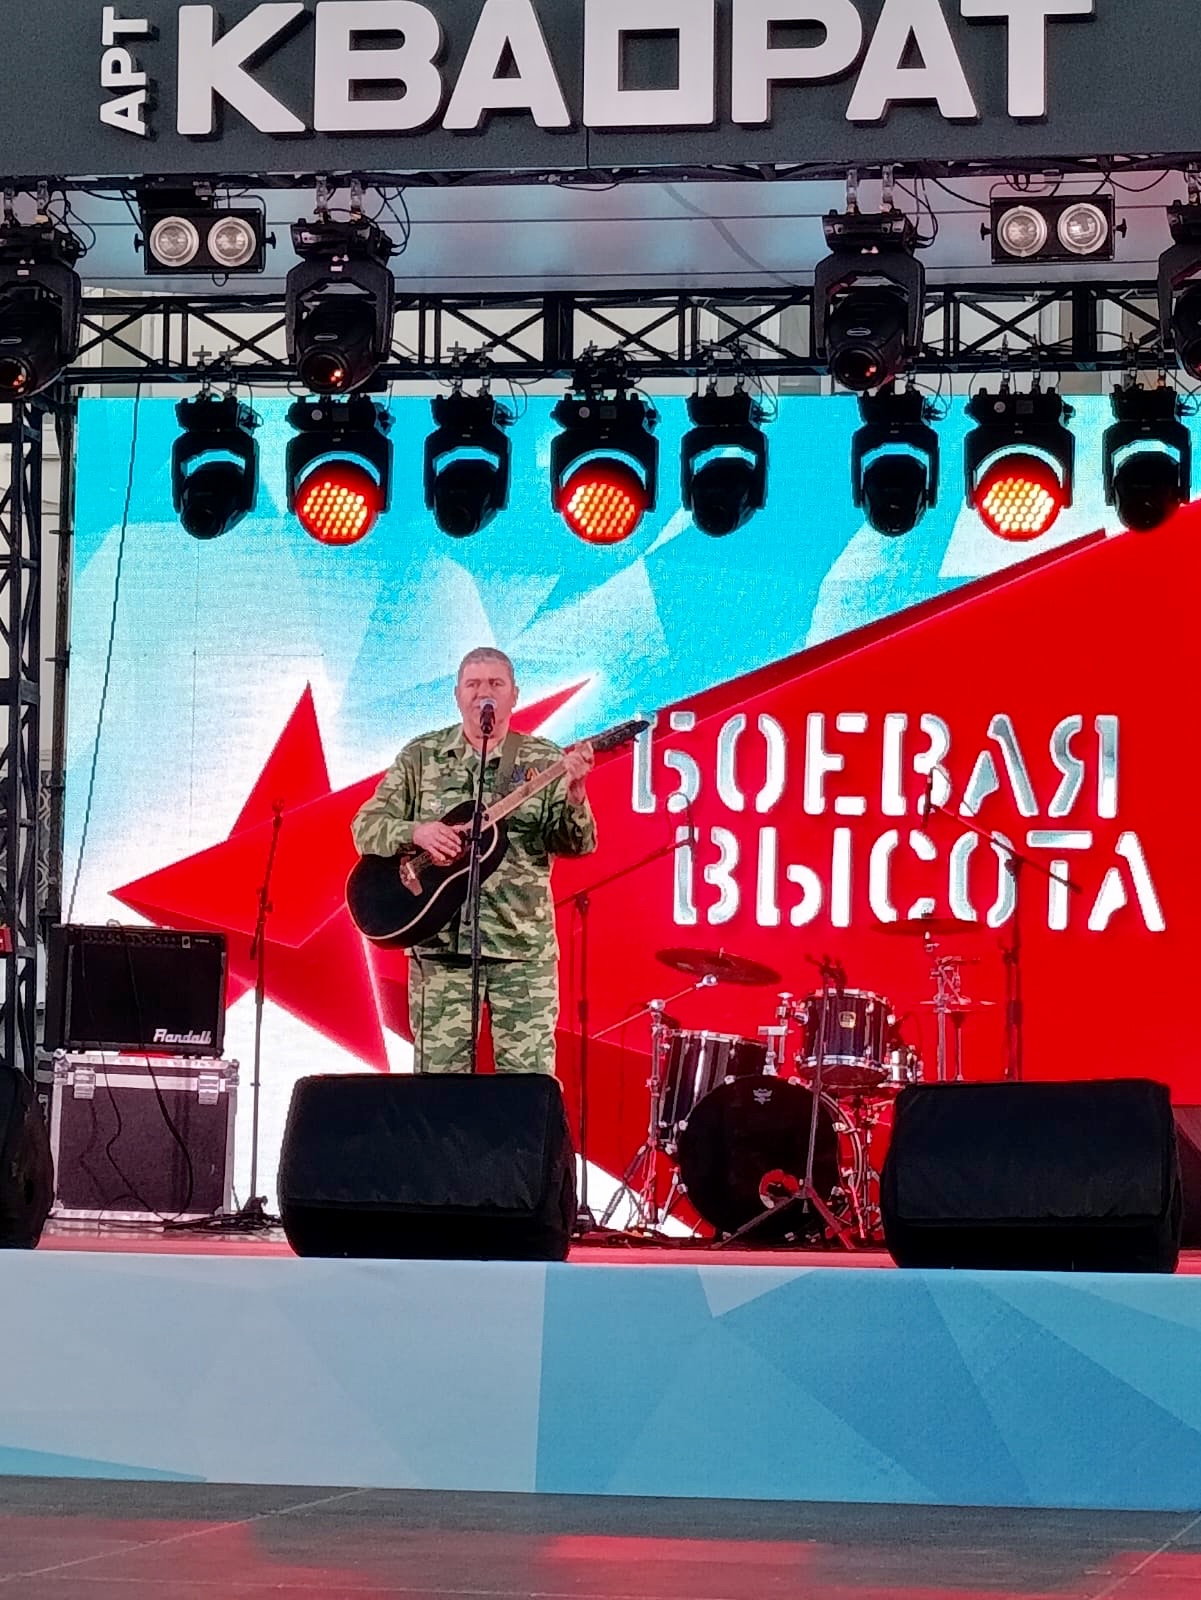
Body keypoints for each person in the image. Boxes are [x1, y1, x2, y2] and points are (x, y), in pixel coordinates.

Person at [351, 647, 596, 1074]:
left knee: (527, 1089)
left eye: (496, 684)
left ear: (514, 695)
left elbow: (578, 844)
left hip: (522, 951)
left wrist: (576, 795)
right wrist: (417, 832)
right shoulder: (422, 756)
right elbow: (365, 827)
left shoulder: (543, 759)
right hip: (440, 949)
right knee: (439, 1091)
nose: (485, 692)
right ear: (458, 695)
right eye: (474, 684)